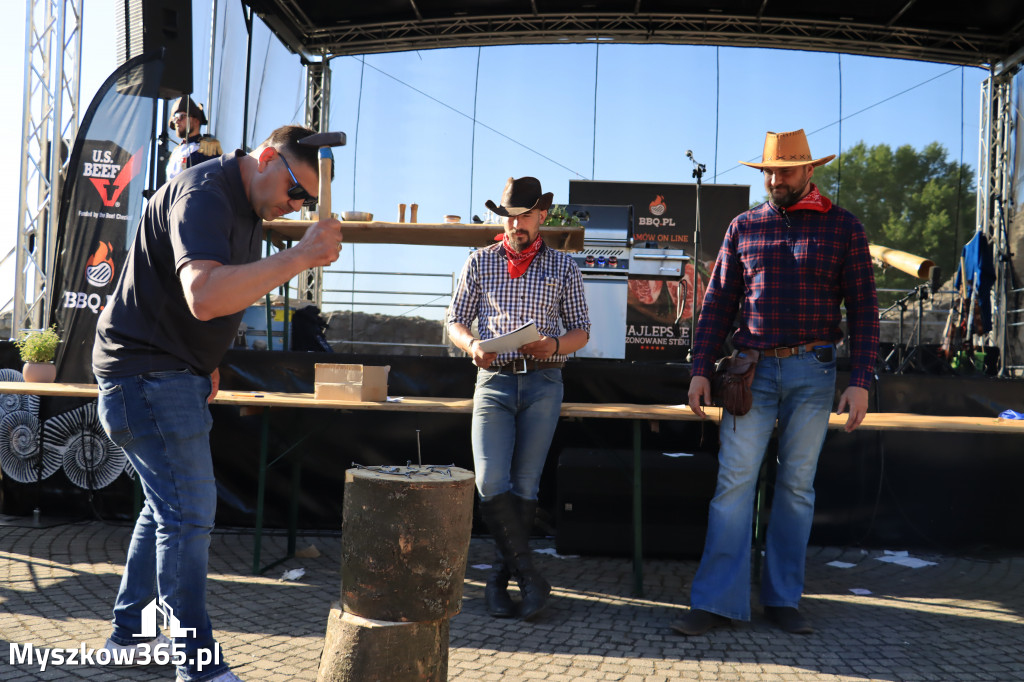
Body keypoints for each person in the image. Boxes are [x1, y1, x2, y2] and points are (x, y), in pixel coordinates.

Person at [93, 124, 343, 682]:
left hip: (165, 370)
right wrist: (299, 257)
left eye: (305, 200)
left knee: (164, 509)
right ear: (265, 158)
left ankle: (129, 635)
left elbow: (201, 295)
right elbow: (204, 295)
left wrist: (205, 360)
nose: (295, 204)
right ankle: (197, 666)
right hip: (147, 374)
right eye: (295, 190)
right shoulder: (205, 193)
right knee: (187, 517)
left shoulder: (245, 207)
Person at [674, 129, 879, 636]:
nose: (774, 178)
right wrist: (700, 368)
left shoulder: (844, 228)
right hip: (750, 371)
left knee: (795, 487)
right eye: (768, 170)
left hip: (816, 371)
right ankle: (716, 600)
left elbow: (865, 310)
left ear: (810, 170)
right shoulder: (743, 227)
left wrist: (862, 379)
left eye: (785, 169)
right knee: (733, 485)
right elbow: (717, 302)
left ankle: (783, 599)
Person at [447, 176, 590, 621]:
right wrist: (471, 346)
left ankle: (498, 581)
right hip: (493, 381)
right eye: (509, 216)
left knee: (526, 484)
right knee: (490, 481)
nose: (515, 224)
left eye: (524, 215)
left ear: (542, 216)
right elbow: (454, 321)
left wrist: (554, 346)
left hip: (544, 380)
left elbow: (581, 330)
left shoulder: (564, 267)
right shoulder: (479, 262)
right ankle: (529, 577)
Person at [166, 95, 222, 182]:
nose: (177, 121)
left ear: (196, 120)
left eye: (181, 116)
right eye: (175, 117)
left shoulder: (208, 146)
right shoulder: (176, 151)